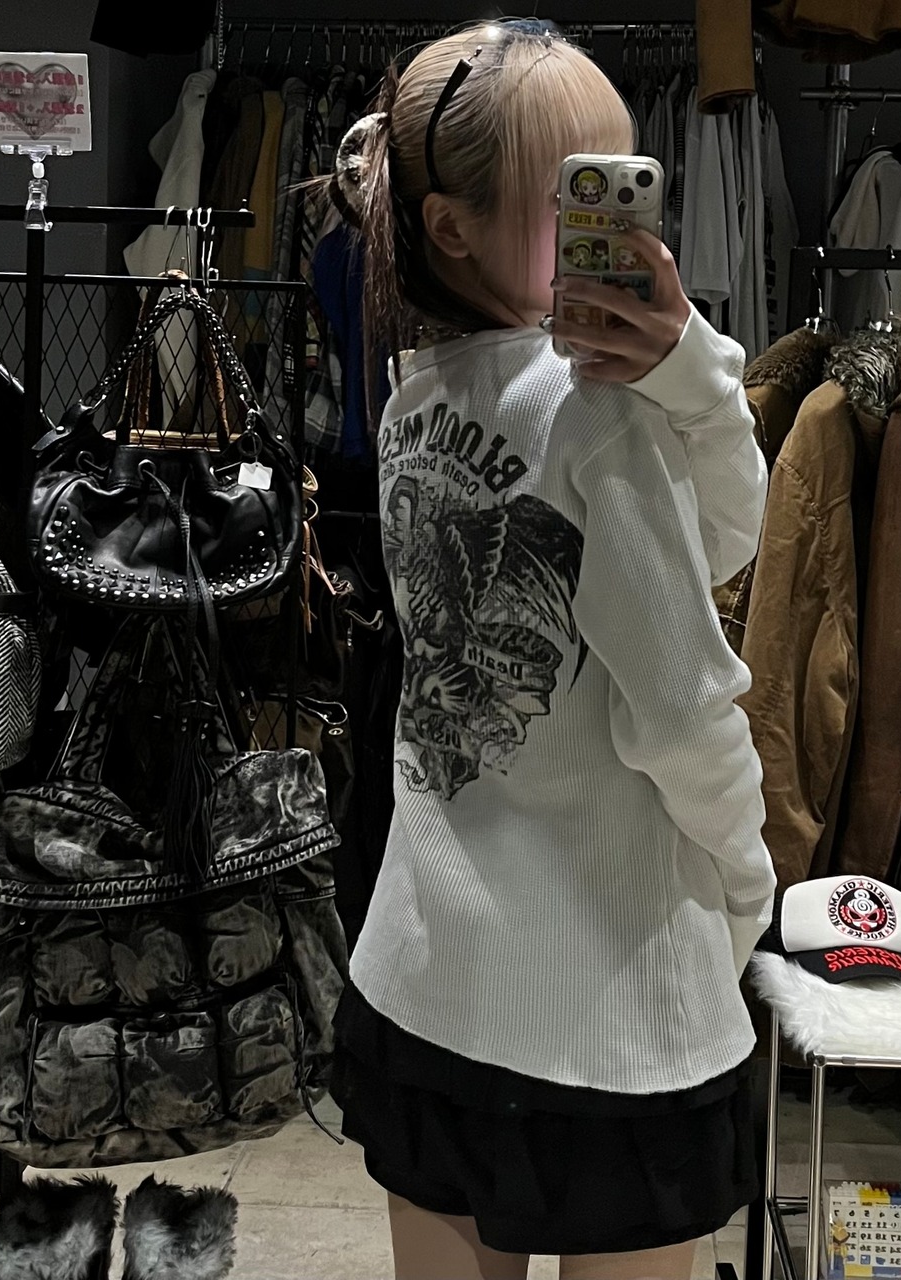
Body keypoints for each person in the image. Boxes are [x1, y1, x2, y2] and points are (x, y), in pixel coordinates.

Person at [331, 19, 776, 1280]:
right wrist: (744, 882)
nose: (614, 227)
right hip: (606, 1002)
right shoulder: (598, 415)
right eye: (572, 195)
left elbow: (709, 542)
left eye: (618, 185)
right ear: (452, 226)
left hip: (427, 969)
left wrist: (685, 372)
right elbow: (685, 702)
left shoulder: (414, 389)